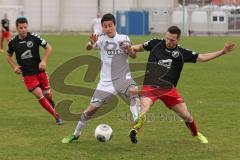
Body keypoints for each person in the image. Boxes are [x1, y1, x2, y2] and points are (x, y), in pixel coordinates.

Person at [129, 26, 235, 144]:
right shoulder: (155, 43)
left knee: (187, 116)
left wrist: (222, 52)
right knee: (144, 108)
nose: (169, 41)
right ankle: (134, 131)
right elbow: (138, 48)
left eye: (172, 40)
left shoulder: (181, 53)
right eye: (167, 38)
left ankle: (196, 134)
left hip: (169, 89)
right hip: (151, 86)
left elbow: (202, 57)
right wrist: (129, 48)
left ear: (178, 40)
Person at [61, 13, 140, 144]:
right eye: (105, 26)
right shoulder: (101, 39)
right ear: (102, 27)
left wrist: (129, 50)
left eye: (110, 26)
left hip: (123, 78)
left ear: (115, 25)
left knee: (133, 92)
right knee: (89, 111)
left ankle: (137, 121)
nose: (108, 28)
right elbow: (88, 47)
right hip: (105, 82)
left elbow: (133, 55)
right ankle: (75, 134)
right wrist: (91, 43)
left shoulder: (124, 38)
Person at [6, 17, 63, 125]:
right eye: (21, 28)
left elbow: (49, 47)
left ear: (27, 26)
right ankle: (57, 116)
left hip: (40, 72)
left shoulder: (34, 37)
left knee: (47, 95)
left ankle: (53, 106)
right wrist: (14, 66)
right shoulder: (13, 42)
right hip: (28, 75)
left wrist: (44, 61)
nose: (23, 30)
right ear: (16, 28)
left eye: (25, 27)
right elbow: (8, 56)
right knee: (39, 95)